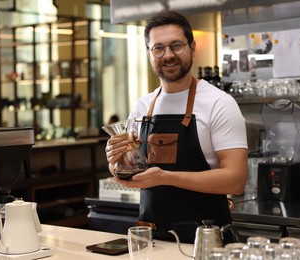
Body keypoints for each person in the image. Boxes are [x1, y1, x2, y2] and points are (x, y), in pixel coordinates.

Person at [104, 10, 248, 244]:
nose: (168, 55)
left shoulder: (219, 103)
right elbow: (130, 169)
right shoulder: (143, 106)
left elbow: (235, 180)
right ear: (149, 54)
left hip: (206, 240)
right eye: (158, 48)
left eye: (176, 46)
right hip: (152, 238)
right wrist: (115, 159)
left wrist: (165, 177)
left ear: (192, 48)